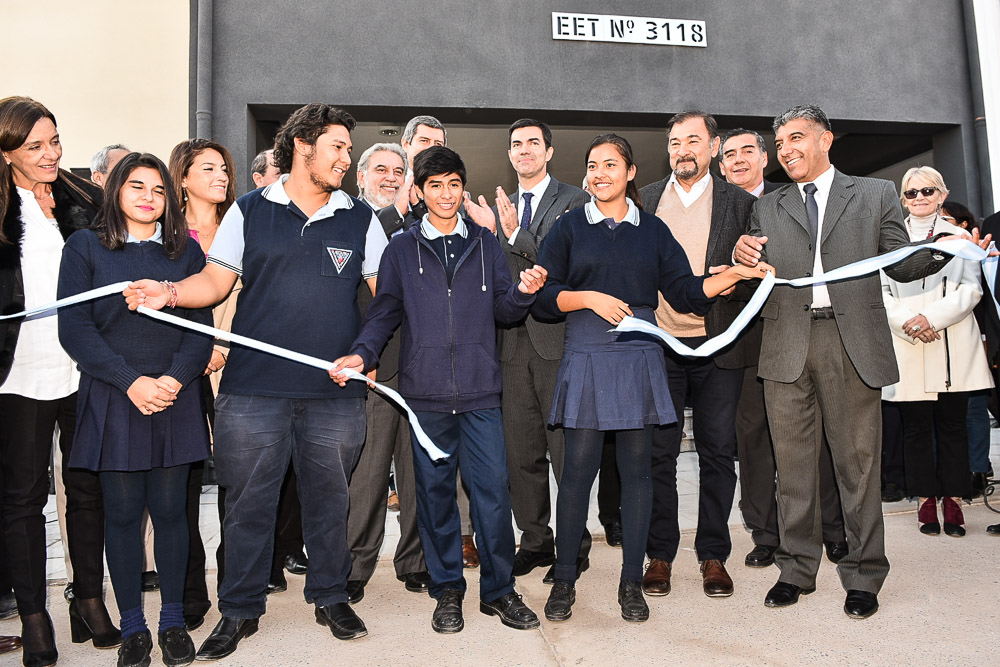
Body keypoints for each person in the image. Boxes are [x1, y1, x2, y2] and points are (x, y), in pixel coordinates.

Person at [126, 103, 387, 659]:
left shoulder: (360, 218)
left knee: (328, 503)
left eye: (347, 147)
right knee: (245, 507)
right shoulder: (248, 210)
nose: (347, 158)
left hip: (333, 393)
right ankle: (239, 610)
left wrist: (365, 353)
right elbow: (215, 283)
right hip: (251, 393)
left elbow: (386, 299)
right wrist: (167, 293)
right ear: (302, 148)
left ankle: (331, 595)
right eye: (338, 147)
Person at [733, 104, 986, 619]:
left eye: (796, 138)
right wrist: (743, 257)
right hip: (786, 347)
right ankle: (796, 569)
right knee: (795, 469)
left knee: (858, 468)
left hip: (852, 345)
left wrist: (950, 249)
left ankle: (865, 574)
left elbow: (904, 261)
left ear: (826, 140)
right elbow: (758, 267)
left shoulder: (874, 196)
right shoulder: (768, 206)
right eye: (780, 142)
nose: (786, 150)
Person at [534, 134, 770, 624]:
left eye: (611, 165)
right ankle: (563, 580)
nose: (601, 174)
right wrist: (589, 298)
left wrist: (731, 277)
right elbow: (544, 295)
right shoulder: (569, 227)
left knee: (639, 475)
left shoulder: (654, 230)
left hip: (638, 355)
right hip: (587, 353)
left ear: (631, 172)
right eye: (593, 165)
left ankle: (629, 583)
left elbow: (684, 292)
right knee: (577, 475)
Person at [331, 145, 545, 635]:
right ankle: (447, 589)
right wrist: (363, 353)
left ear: (461, 188)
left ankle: (500, 591)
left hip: (480, 395)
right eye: (435, 186)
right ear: (419, 191)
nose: (445, 195)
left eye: (453, 184)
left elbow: (505, 312)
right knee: (433, 497)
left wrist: (524, 292)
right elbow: (384, 310)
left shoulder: (487, 243)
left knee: (492, 495)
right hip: (424, 397)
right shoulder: (401, 250)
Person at [58, 151, 213, 667]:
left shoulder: (183, 254)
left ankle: (171, 623)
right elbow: (74, 330)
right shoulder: (84, 247)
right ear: (115, 192)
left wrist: (170, 380)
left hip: (174, 394)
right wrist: (131, 382)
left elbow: (200, 328)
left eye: (159, 190)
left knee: (172, 514)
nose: (149, 198)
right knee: (122, 516)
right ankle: (133, 629)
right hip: (115, 396)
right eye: (137, 187)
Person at [1, 95, 118, 667]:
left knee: (87, 486)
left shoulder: (84, 197)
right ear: (6, 153)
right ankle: (33, 615)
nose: (50, 154)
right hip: (17, 371)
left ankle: (88, 600)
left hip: (82, 364)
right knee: (24, 499)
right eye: (34, 147)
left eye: (54, 141)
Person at [637, 111, 757, 600]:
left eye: (692, 140)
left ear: (713, 146)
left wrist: (738, 269)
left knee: (717, 453)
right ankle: (660, 554)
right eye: (673, 142)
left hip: (719, 343)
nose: (682, 149)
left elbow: (759, 273)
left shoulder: (743, 203)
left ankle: (713, 555)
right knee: (658, 455)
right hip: (659, 344)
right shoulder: (642, 200)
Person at [718, 128, 848, 567]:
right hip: (742, 339)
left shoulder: (794, 196)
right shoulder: (715, 207)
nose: (738, 160)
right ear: (721, 165)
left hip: (799, 331)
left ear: (764, 158)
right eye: (729, 154)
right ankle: (765, 532)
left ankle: (833, 528)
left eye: (747, 151)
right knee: (753, 437)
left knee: (816, 438)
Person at [489, 119, 590, 584]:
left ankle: (575, 543)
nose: (524, 150)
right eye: (516, 144)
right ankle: (534, 540)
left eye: (533, 143)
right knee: (521, 452)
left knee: (566, 451)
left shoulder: (574, 201)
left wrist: (513, 234)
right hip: (510, 347)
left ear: (549, 151)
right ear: (510, 154)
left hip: (559, 344)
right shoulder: (496, 208)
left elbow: (564, 266)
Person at [880, 166, 992, 536]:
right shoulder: (889, 238)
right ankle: (926, 498)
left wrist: (930, 318)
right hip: (908, 342)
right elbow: (881, 292)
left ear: (942, 195)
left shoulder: (959, 237)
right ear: (903, 199)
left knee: (952, 427)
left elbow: (971, 290)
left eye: (927, 191)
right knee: (914, 429)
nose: (920, 199)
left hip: (951, 340)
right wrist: (910, 322)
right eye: (911, 193)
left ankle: (953, 500)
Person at [346, 141, 429, 603]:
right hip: (372, 368)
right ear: (361, 177)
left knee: (417, 475)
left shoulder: (422, 225)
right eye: (381, 169)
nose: (391, 177)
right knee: (369, 475)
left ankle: (415, 562)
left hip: (418, 367)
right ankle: (355, 566)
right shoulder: (351, 219)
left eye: (399, 171)